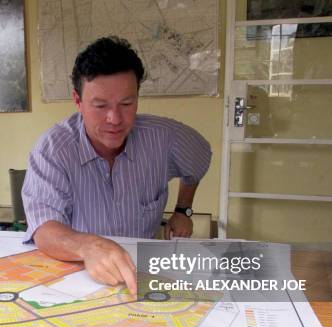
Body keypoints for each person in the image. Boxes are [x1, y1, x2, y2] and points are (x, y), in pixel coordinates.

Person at [22, 36, 211, 295]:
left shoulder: (164, 137)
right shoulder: (52, 151)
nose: (115, 119)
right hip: (79, 278)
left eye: (126, 103)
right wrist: (88, 247)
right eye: (100, 105)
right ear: (77, 101)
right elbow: (45, 230)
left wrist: (183, 210)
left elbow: (198, 160)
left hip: (142, 275)